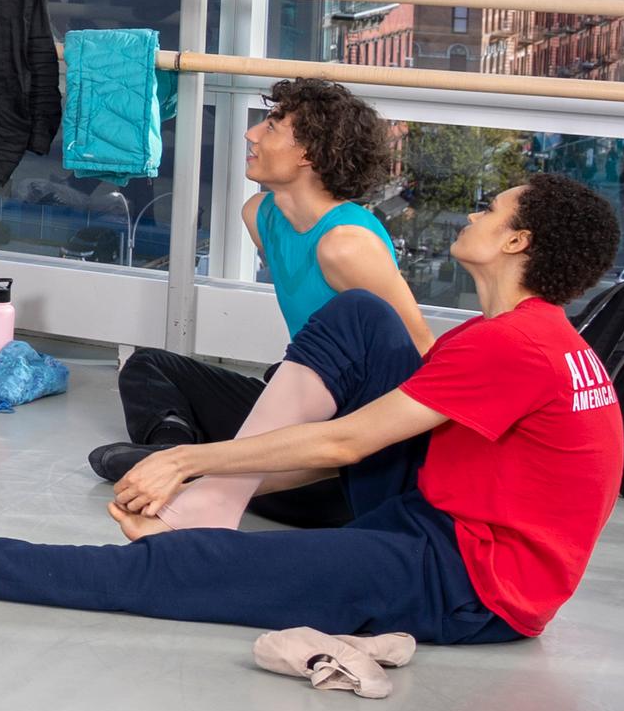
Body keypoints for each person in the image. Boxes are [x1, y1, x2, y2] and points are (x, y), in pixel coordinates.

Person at [0, 174, 624, 649]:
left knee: (200, 572)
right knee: (363, 316)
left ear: (518, 239)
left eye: (490, 212)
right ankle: (212, 511)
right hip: (441, 517)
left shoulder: (514, 346)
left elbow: (349, 443)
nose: (473, 217)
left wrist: (188, 457)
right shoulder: (526, 335)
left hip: (474, 581)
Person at [93, 77, 438, 526]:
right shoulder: (260, 215)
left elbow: (423, 358)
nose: (251, 134)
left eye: (272, 127)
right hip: (301, 402)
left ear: (309, 154)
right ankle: (169, 452)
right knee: (147, 366)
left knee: (312, 491)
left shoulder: (346, 244)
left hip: (350, 438)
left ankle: (201, 473)